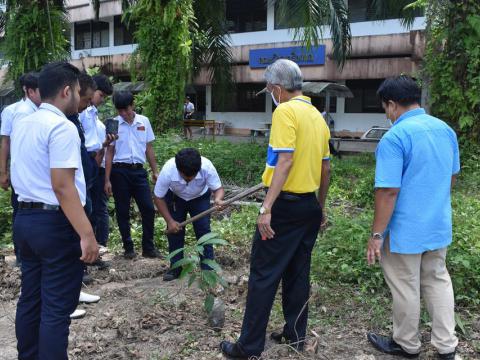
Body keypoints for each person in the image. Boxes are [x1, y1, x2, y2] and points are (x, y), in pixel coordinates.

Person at [220, 59, 331, 359]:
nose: (271, 93)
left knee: (264, 275)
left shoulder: (285, 111)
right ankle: (295, 335)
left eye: (270, 88)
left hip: (284, 206)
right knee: (298, 273)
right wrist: (320, 207)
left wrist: (266, 208)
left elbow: (285, 160)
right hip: (308, 205)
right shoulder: (316, 115)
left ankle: (249, 346)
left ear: (278, 88)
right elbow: (325, 168)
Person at [366, 76, 459, 360]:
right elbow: (451, 178)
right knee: (438, 280)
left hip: (404, 229)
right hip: (437, 224)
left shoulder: (395, 137)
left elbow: (388, 191)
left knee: (405, 284)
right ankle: (446, 346)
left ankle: (407, 343)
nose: (387, 113)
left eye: (385, 107)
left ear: (392, 105)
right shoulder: (445, 130)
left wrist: (377, 235)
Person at [11, 61, 99, 360]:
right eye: (77, 90)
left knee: (31, 301)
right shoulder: (62, 126)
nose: (79, 96)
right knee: (56, 310)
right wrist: (87, 234)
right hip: (54, 225)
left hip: (25, 220)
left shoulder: (23, 123)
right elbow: (62, 186)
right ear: (66, 91)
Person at [104, 91, 161, 259]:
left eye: (126, 109)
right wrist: (107, 179)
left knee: (148, 209)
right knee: (122, 211)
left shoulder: (144, 121)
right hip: (119, 172)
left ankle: (148, 247)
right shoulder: (113, 123)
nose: (123, 113)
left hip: (139, 171)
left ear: (132, 105)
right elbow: (110, 151)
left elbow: (149, 148)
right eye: (119, 110)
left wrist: (155, 170)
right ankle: (128, 248)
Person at [153, 148, 224, 281]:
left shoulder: (207, 166)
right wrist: (169, 221)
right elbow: (158, 197)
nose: (189, 180)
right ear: (179, 170)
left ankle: (207, 268)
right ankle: (175, 267)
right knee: (174, 232)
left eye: (192, 177)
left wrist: (218, 199)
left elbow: (218, 189)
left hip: (200, 198)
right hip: (175, 197)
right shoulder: (168, 170)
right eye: (186, 177)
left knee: (204, 231)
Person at [0, 72, 41, 265]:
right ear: (28, 90)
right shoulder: (17, 111)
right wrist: (3, 172)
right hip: (22, 172)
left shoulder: (39, 111)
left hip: (30, 172)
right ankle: (21, 255)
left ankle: (27, 253)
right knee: (21, 210)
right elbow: (6, 143)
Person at [91, 117, 111, 250]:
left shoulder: (98, 126)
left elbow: (101, 151)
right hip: (91, 169)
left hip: (97, 170)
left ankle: (101, 242)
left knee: (99, 208)